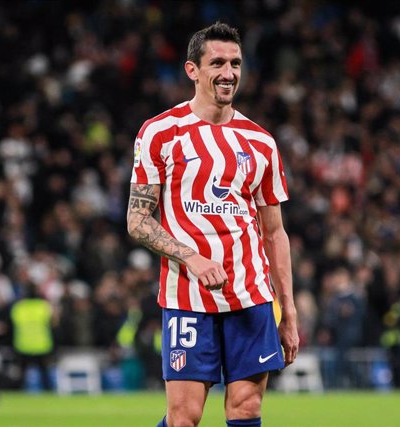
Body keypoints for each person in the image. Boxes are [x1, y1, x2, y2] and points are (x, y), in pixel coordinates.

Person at [127, 22, 299, 427]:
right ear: (192, 70)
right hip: (187, 297)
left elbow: (275, 232)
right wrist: (193, 258)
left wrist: (288, 311)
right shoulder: (160, 133)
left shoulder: (260, 142)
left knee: (246, 409)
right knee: (184, 417)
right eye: (217, 62)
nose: (228, 73)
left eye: (235, 63)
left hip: (251, 295)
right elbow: (137, 219)